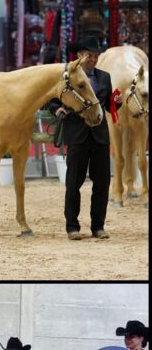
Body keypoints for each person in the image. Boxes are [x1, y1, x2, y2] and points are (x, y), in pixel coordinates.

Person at [48, 35, 123, 240]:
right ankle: (72, 226)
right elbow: (52, 100)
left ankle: (98, 226)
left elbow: (109, 106)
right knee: (74, 183)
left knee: (102, 183)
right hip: (77, 134)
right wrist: (57, 110)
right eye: (89, 55)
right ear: (79, 56)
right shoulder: (68, 77)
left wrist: (117, 101)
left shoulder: (104, 77)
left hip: (100, 136)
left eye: (95, 56)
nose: (93, 59)